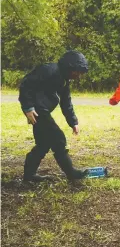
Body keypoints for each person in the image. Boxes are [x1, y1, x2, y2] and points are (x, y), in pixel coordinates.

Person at [19, 50, 89, 182]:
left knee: (43, 143)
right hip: (36, 110)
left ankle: (29, 176)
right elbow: (26, 84)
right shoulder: (48, 70)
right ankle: (71, 173)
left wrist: (73, 122)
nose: (78, 75)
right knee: (58, 139)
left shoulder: (64, 80)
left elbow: (66, 102)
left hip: (41, 110)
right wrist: (28, 107)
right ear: (69, 66)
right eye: (77, 71)